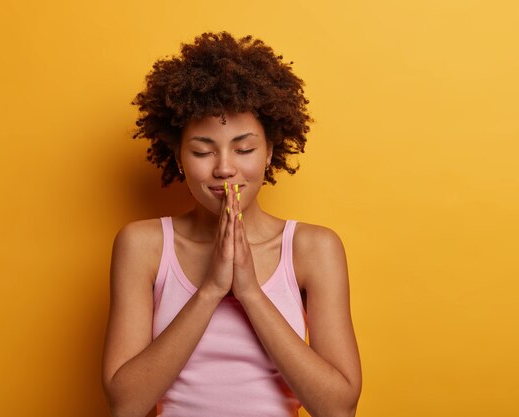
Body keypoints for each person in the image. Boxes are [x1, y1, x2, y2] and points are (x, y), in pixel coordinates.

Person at [101, 31, 362, 417]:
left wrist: (250, 292)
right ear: (178, 157)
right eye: (203, 151)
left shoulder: (313, 249)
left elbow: (339, 409)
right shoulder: (143, 246)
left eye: (244, 149)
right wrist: (210, 290)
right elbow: (126, 405)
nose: (224, 168)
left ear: (271, 151)